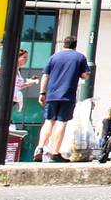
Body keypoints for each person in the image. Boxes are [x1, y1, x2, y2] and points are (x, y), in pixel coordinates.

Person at [37, 35, 90, 163]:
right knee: (61, 122)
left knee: (49, 121)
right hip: (67, 95)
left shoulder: (54, 57)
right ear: (75, 44)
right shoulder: (80, 57)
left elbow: (45, 76)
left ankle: (39, 148)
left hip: (51, 95)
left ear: (64, 44)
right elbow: (85, 75)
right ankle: (55, 152)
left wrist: (42, 93)